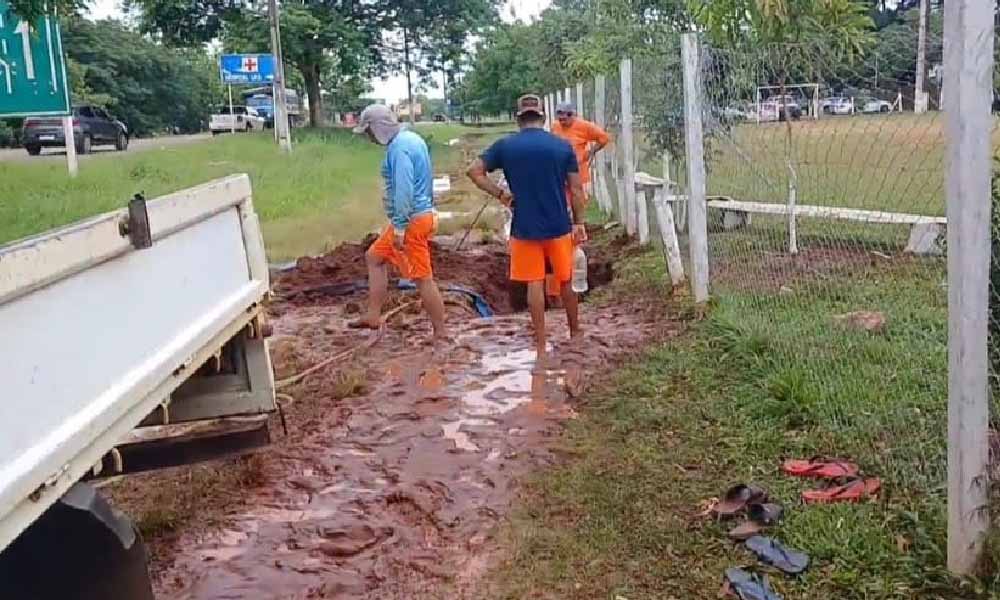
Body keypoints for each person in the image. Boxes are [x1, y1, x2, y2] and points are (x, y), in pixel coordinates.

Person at [467, 94, 588, 359]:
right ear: (543, 117)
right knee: (565, 279)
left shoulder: (505, 146)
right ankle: (574, 330)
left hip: (524, 226)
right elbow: (577, 190)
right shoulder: (561, 146)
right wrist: (579, 222)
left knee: (534, 283)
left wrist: (501, 195)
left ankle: (541, 342)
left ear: (518, 118)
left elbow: (474, 171)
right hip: (558, 225)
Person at [351, 104, 447, 342]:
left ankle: (441, 333)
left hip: (411, 220)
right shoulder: (412, 139)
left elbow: (404, 188)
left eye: (368, 132)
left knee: (422, 278)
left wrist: (401, 228)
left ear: (377, 128)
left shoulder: (399, 149)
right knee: (374, 257)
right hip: (416, 215)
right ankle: (373, 315)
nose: (369, 138)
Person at [547, 101, 610, 302]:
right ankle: (564, 246)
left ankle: (574, 244)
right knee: (561, 214)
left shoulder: (584, 126)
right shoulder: (555, 128)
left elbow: (604, 138)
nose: (562, 119)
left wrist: (590, 153)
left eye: (565, 115)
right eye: (559, 115)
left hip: (578, 178)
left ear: (573, 114)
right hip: (559, 179)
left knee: (576, 213)